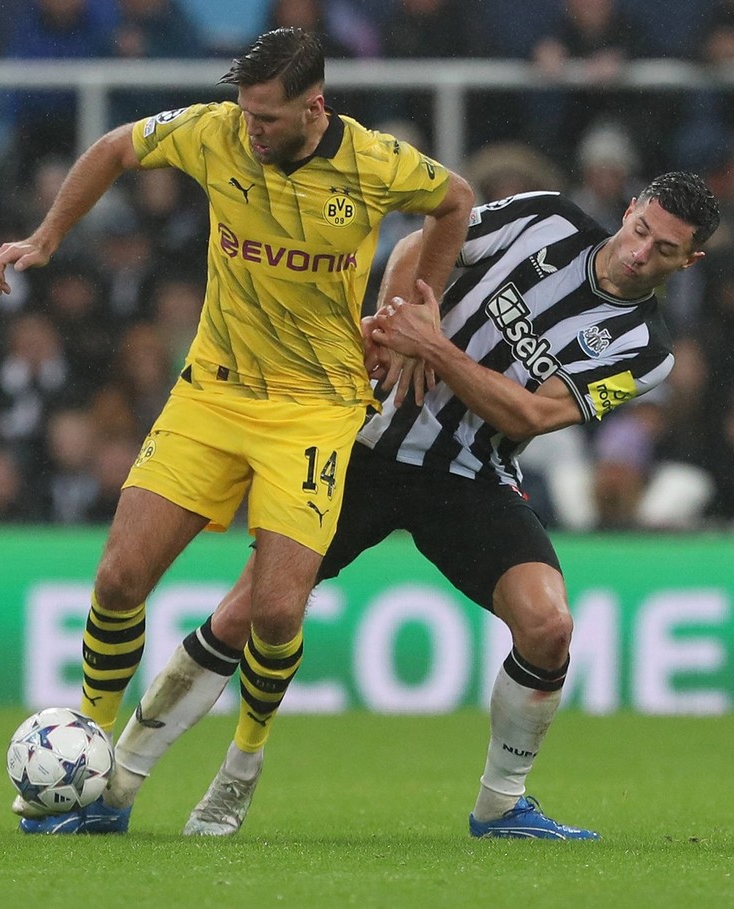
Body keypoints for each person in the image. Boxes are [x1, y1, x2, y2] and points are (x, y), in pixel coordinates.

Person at [0, 26, 473, 833]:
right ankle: (90, 754)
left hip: (315, 406)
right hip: (212, 393)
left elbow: (455, 199)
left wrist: (418, 309)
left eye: (267, 118)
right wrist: (46, 237)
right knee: (118, 578)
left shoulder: (375, 162)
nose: (250, 129)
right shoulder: (215, 132)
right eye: (245, 113)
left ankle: (242, 763)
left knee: (277, 612)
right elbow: (113, 148)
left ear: (314, 107)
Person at [141, 172, 719, 839]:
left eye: (665, 249)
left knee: (548, 626)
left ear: (689, 260)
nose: (641, 253)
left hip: (466, 476)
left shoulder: (646, 351)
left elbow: (531, 414)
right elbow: (419, 246)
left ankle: (500, 806)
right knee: (246, 611)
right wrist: (398, 324)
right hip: (364, 446)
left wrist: (434, 349)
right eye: (641, 230)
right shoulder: (546, 218)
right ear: (630, 209)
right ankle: (122, 777)